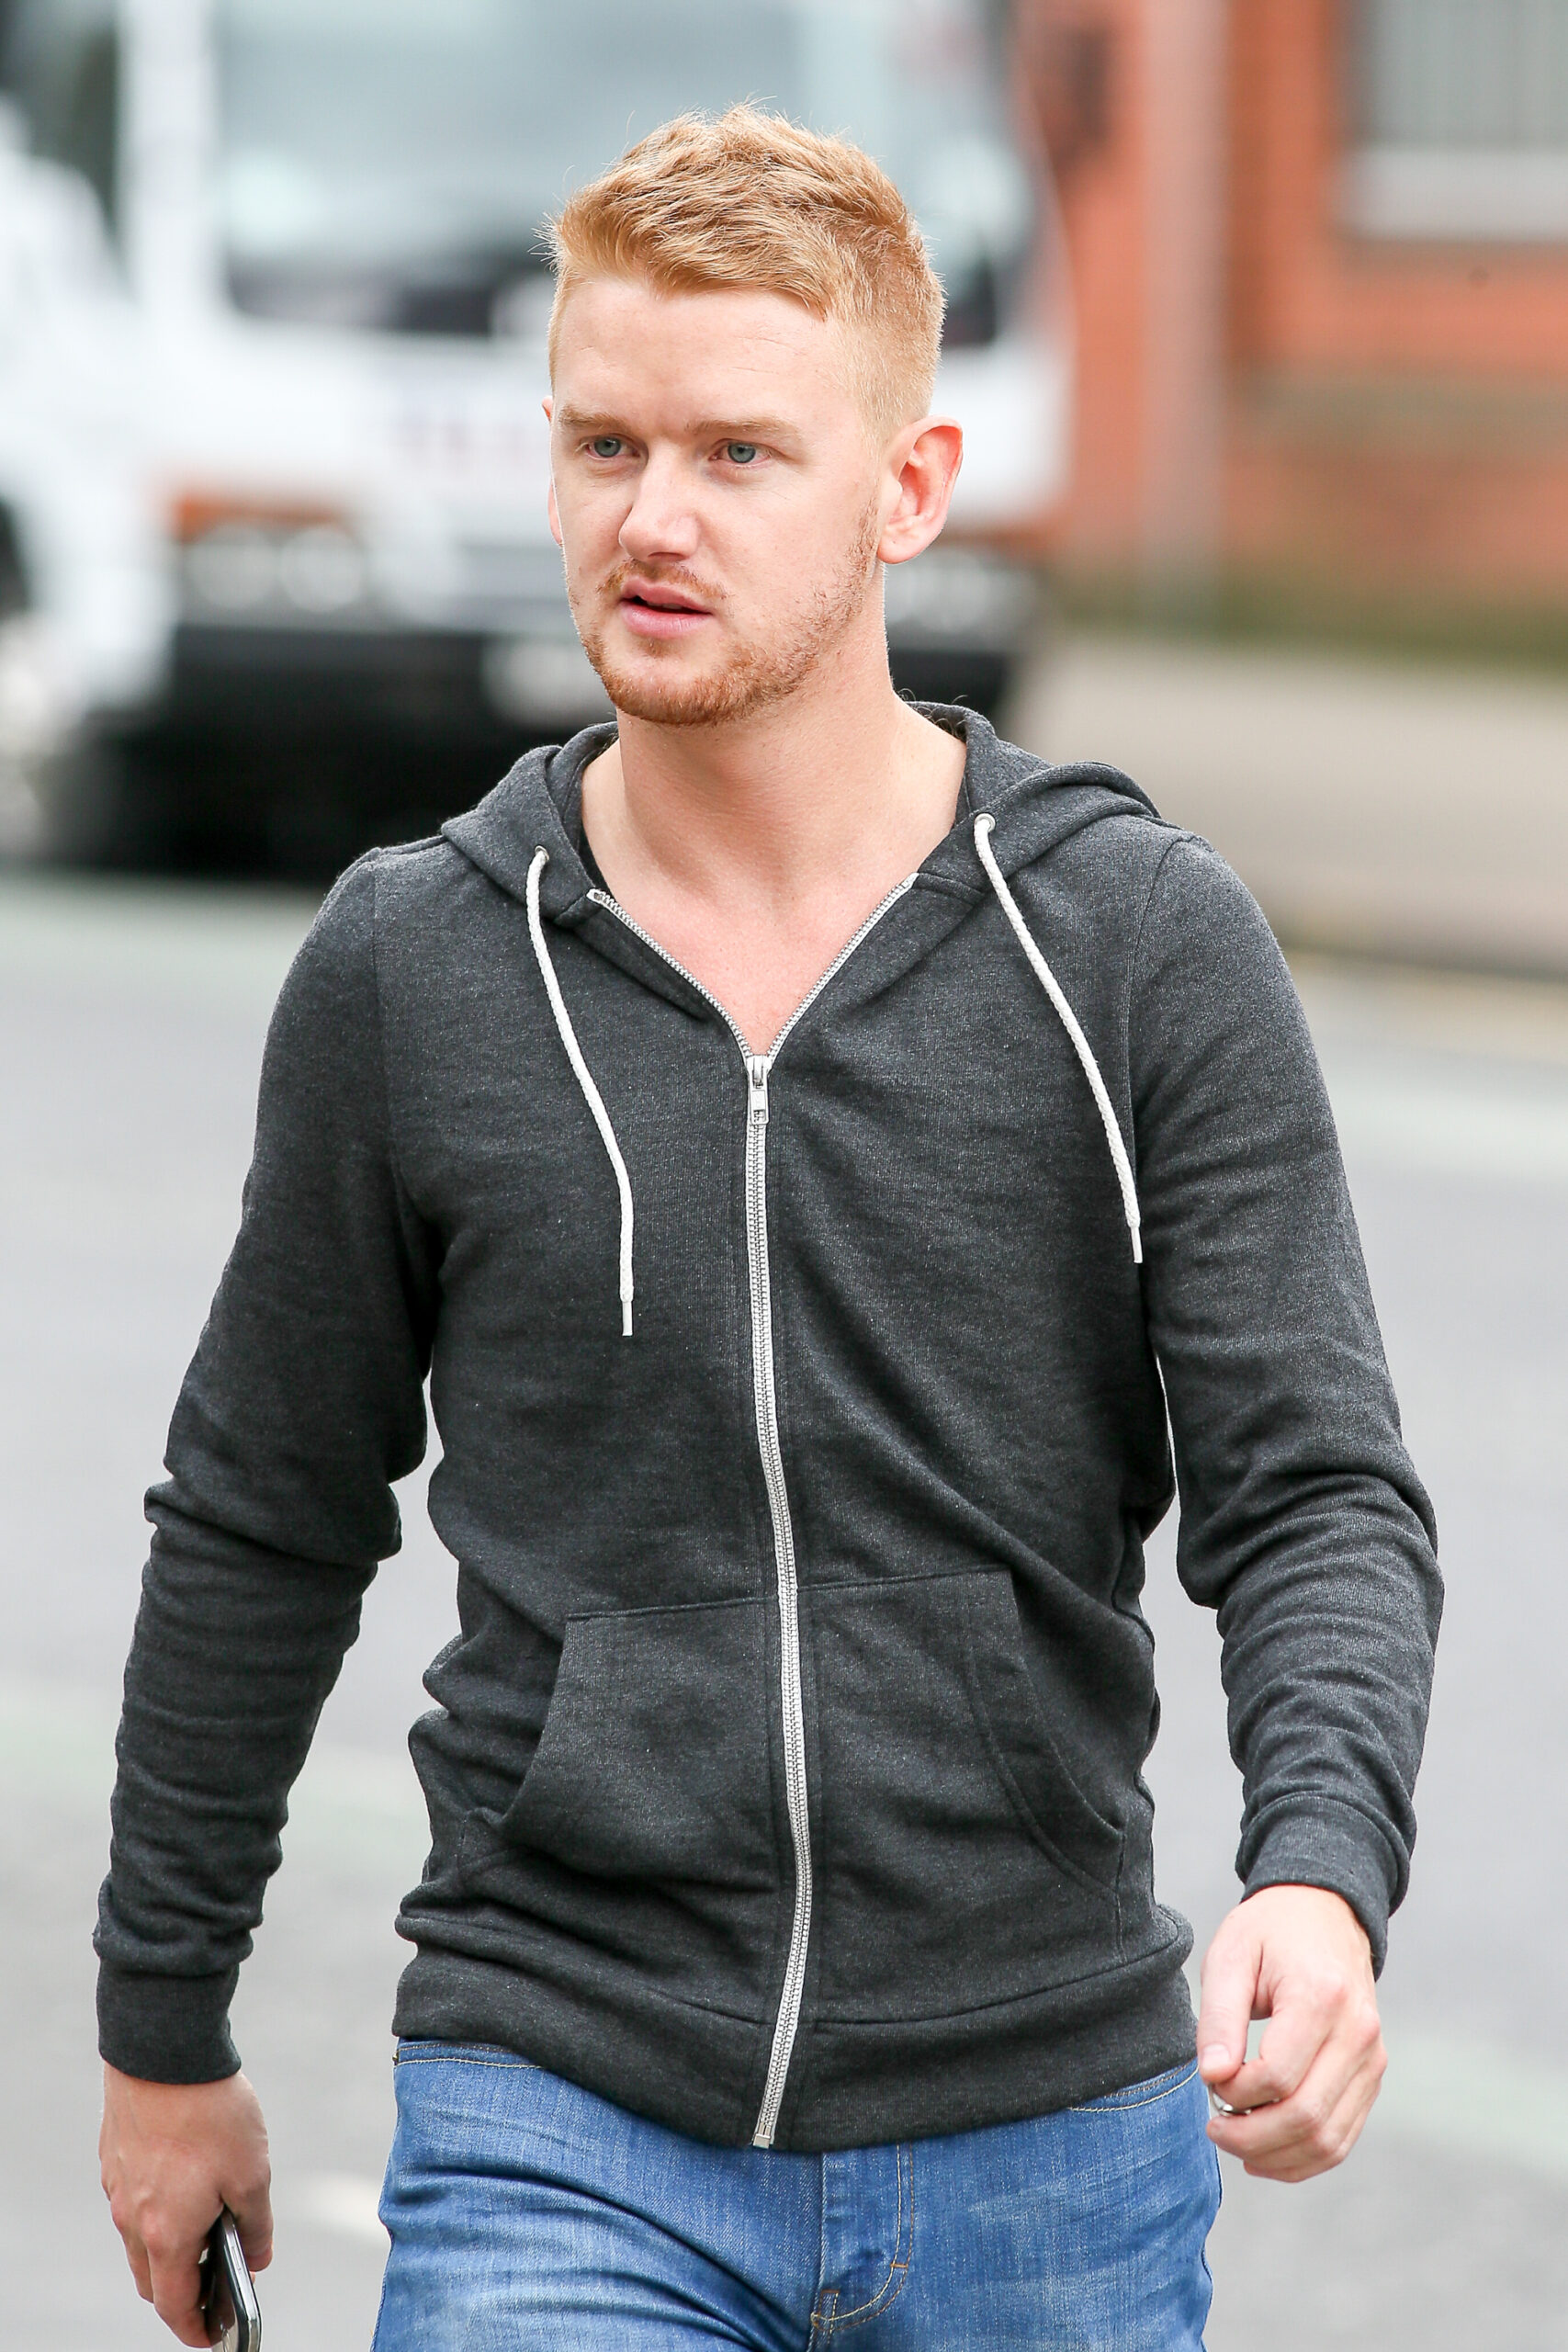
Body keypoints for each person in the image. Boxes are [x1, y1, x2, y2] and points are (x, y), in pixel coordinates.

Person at [96, 108, 1440, 2350]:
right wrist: (163, 2032)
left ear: (904, 491)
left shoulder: (1129, 943)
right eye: (600, 444)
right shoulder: (416, 969)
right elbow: (258, 1514)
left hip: (1047, 2130)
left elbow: (1312, 1487)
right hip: (563, 2096)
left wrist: (1317, 1871)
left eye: (737, 454)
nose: (649, 518)